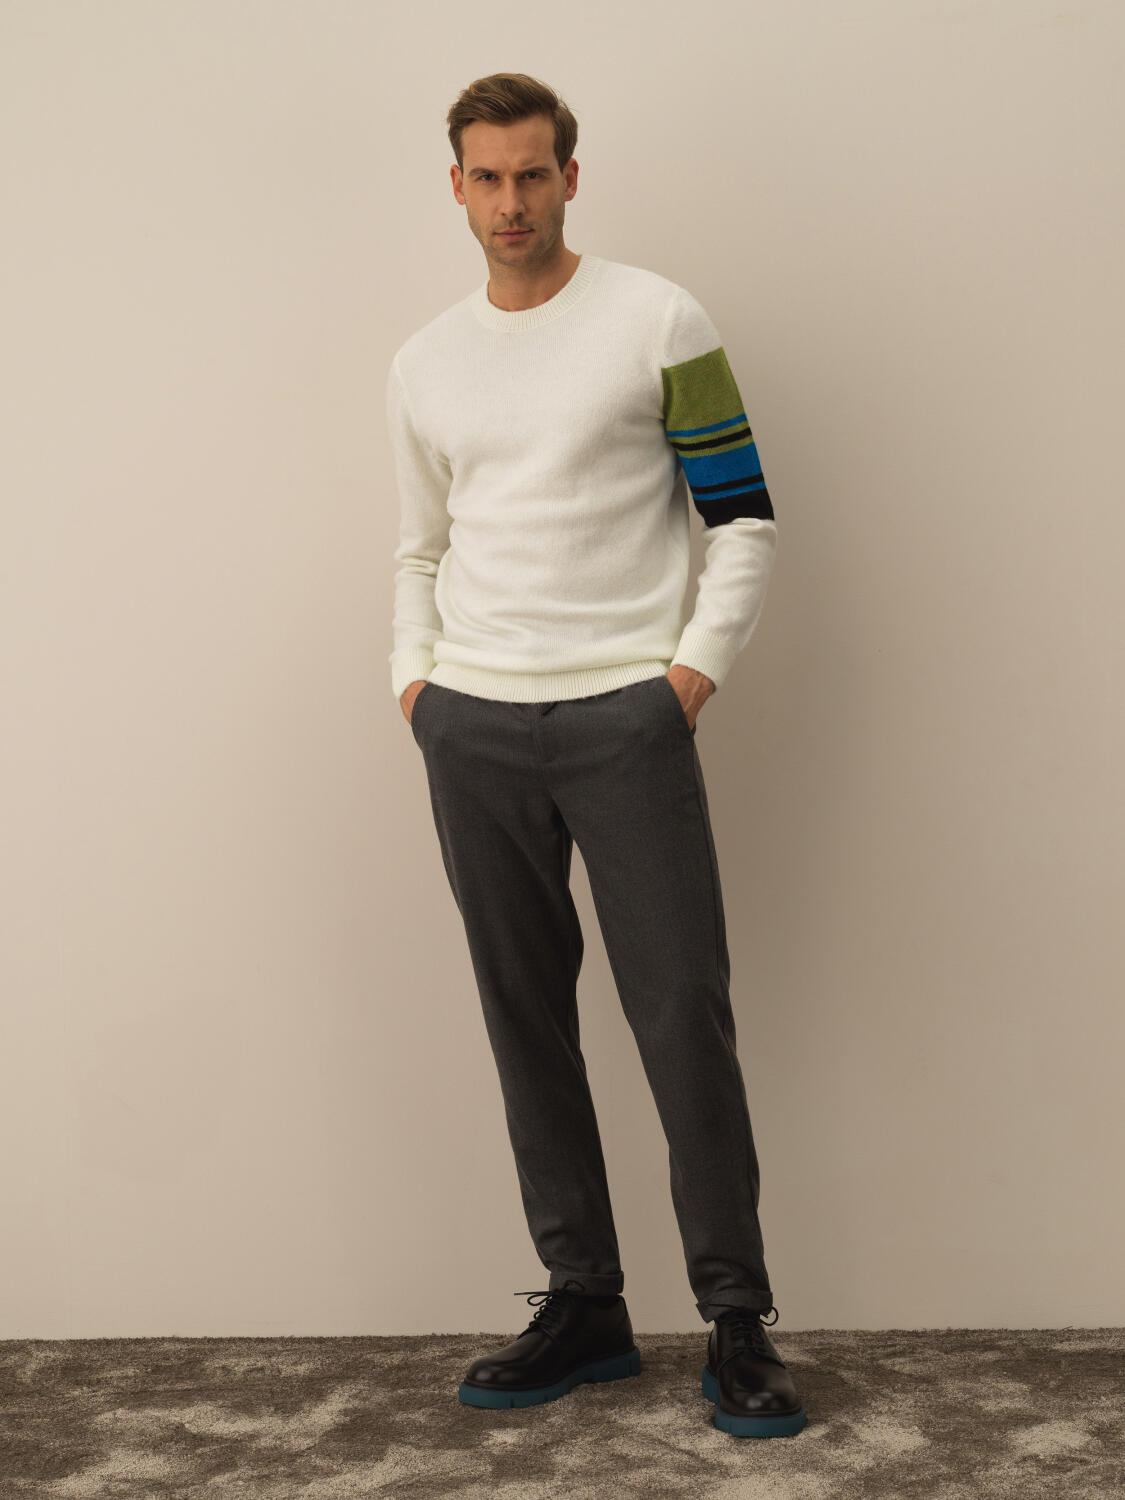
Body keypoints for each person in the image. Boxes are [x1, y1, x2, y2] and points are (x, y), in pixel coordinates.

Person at [385, 71, 807, 1440]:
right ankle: (584, 1304)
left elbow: (740, 515)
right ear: (456, 187)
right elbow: (420, 545)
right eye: (487, 178)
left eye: (533, 174)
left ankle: (735, 1318)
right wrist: (415, 683)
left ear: (570, 176)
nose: (510, 202)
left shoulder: (657, 320)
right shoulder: (424, 362)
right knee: (524, 1017)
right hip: (471, 723)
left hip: (626, 716)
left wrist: (687, 677)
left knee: (681, 1013)